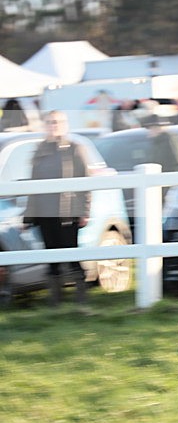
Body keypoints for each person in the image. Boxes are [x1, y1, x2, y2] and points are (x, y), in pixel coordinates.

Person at [22, 110, 91, 306]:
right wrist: (28, 217)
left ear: (65, 124)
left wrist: (84, 211)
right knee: (51, 257)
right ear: (45, 125)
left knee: (71, 255)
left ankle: (81, 302)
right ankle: (56, 303)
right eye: (51, 122)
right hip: (44, 213)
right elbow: (32, 185)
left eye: (58, 122)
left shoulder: (75, 148)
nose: (54, 125)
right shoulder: (39, 150)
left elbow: (85, 182)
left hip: (67, 212)